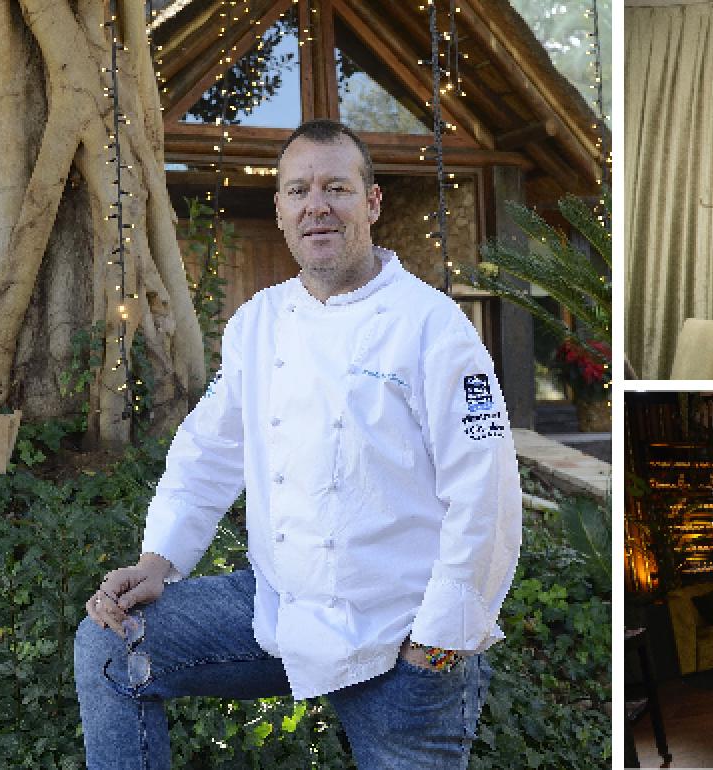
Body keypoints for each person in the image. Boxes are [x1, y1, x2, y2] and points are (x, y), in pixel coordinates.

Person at [73, 119, 522, 769]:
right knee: (109, 643)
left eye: (337, 187)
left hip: (402, 643)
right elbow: (208, 450)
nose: (317, 204)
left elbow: (488, 496)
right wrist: (157, 561)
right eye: (298, 190)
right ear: (281, 210)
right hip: (282, 611)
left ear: (371, 202)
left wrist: (439, 644)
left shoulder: (435, 329)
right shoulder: (260, 322)